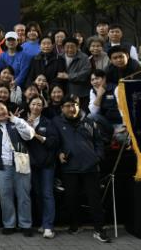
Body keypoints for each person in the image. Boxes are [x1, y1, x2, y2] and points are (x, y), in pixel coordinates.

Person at [52, 95, 111, 243]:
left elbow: (99, 142)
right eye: (68, 106)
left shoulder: (89, 121)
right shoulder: (56, 122)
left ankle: (99, 230)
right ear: (62, 108)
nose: (72, 108)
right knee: (71, 199)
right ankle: (75, 225)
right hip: (69, 168)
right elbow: (54, 142)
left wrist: (98, 157)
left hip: (90, 167)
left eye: (74, 105)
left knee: (95, 200)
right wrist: (59, 153)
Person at [0, 101, 35, 237]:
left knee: (24, 195)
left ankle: (25, 224)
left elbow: (29, 135)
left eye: (2, 109)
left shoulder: (16, 123)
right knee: (5, 196)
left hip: (21, 162)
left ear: (7, 110)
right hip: (2, 166)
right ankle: (9, 224)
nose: (0, 112)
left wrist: (16, 120)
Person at [25, 96, 59, 239]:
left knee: (47, 194)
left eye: (39, 104)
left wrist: (37, 135)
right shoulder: (23, 122)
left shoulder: (48, 122)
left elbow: (53, 142)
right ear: (29, 105)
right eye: (33, 104)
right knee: (38, 194)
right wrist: (27, 128)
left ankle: (48, 226)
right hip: (31, 164)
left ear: (43, 107)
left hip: (47, 164)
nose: (36, 107)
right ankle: (43, 222)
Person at [88, 69, 126, 145]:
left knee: (121, 138)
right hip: (107, 124)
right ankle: (108, 139)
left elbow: (123, 108)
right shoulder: (92, 91)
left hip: (120, 123)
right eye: (92, 80)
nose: (95, 82)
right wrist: (99, 96)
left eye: (97, 78)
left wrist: (125, 126)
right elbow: (93, 112)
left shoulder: (116, 88)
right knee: (90, 116)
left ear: (104, 78)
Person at [61, 37, 91, 106]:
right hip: (64, 91)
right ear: (63, 47)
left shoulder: (84, 57)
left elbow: (86, 73)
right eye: (67, 47)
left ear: (77, 47)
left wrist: (69, 76)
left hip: (80, 92)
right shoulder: (59, 57)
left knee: (79, 110)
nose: (70, 49)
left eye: (72, 47)